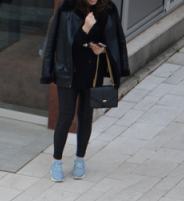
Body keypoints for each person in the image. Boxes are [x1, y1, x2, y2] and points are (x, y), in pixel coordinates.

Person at [41, 0, 129, 182]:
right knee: (65, 117)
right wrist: (85, 29)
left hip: (92, 73)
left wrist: (101, 50)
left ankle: (80, 159)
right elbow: (59, 42)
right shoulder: (67, 8)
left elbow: (116, 39)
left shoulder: (108, 9)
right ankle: (56, 162)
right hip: (69, 72)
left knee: (86, 117)